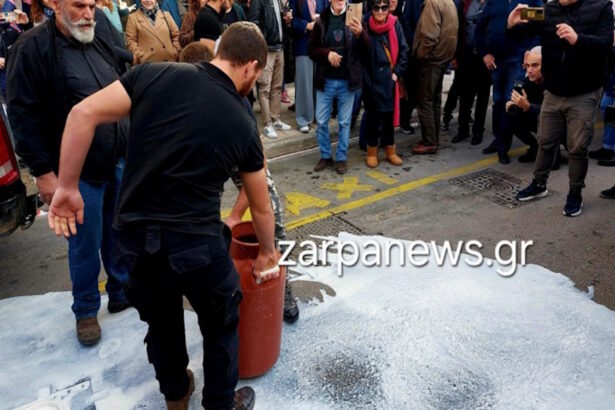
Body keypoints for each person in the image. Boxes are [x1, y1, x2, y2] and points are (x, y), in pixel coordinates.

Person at [48, 22, 276, 409]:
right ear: (251, 66)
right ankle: (220, 404)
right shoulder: (242, 121)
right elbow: (261, 204)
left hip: (136, 243)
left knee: (163, 326)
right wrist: (267, 253)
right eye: (256, 76)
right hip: (197, 247)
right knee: (221, 328)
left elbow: (82, 114)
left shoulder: (152, 75)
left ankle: (176, 399)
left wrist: (67, 187)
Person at [6, 0, 130, 346]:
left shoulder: (98, 33)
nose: (89, 13)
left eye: (92, 5)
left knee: (118, 232)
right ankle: (86, 309)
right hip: (76, 174)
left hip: (117, 159)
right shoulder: (31, 48)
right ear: (54, 4)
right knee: (84, 243)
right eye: (79, 6)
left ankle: (121, 290)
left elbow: (122, 75)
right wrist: (44, 174)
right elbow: (22, 115)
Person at [510, 0, 613, 216]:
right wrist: (512, 24)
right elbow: (523, 33)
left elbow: (606, 44)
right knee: (545, 140)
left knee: (577, 147)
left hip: (584, 93)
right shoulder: (548, 9)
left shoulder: (601, 7)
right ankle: (539, 184)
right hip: (553, 91)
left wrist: (578, 39)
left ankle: (575, 193)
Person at [475, 0, 540, 164]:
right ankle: (499, 140)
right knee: (498, 102)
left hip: (517, 60)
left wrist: (530, 51)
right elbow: (479, 29)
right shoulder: (493, 2)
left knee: (508, 101)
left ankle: (503, 147)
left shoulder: (531, 1)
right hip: (496, 62)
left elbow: (540, 25)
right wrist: (484, 53)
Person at [308, 0, 368, 174]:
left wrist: (361, 34)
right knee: (321, 121)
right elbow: (311, 49)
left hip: (347, 81)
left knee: (344, 122)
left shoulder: (355, 18)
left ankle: (342, 158)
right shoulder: (321, 21)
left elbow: (366, 49)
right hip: (325, 80)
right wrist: (327, 54)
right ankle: (326, 155)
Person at [363, 0, 408, 168]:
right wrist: (367, 81)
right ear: (371, 8)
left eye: (384, 7)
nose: (380, 11)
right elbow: (360, 55)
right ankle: (371, 152)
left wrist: (395, 75)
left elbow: (404, 51)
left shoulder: (395, 24)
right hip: (371, 79)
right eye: (377, 7)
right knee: (372, 119)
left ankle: (391, 151)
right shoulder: (365, 26)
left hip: (388, 80)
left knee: (389, 118)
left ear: (389, 8)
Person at [411, 0, 458, 155]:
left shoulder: (432, 2)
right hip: (442, 58)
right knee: (434, 100)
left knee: (425, 100)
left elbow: (429, 36)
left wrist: (420, 54)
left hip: (432, 59)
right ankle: (432, 138)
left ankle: (430, 142)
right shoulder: (448, 2)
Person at [249, 0, 293, 139]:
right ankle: (267, 124)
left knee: (277, 86)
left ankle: (276, 119)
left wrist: (287, 21)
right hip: (267, 49)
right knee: (264, 87)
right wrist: (262, 45)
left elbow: (279, 22)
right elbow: (254, 25)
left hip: (279, 47)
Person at [451, 0, 491, 145]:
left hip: (486, 57)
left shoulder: (494, 4)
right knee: (465, 95)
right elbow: (459, 28)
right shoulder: (467, 3)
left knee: (482, 97)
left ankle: (478, 131)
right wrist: (455, 54)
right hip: (466, 55)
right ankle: (463, 130)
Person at [290, 0, 327, 133]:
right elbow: (291, 21)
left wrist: (320, 20)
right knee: (304, 84)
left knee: (319, 83)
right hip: (303, 45)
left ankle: (318, 115)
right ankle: (303, 119)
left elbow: (328, 16)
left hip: (319, 46)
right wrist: (306, 25)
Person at [505, 46, 543, 163]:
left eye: (535, 65)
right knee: (512, 117)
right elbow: (516, 90)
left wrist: (528, 106)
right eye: (527, 66)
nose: (529, 70)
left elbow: (554, 112)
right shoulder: (526, 81)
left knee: (553, 163)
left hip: (559, 124)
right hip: (539, 119)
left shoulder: (556, 82)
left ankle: (553, 149)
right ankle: (535, 147)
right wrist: (513, 103)